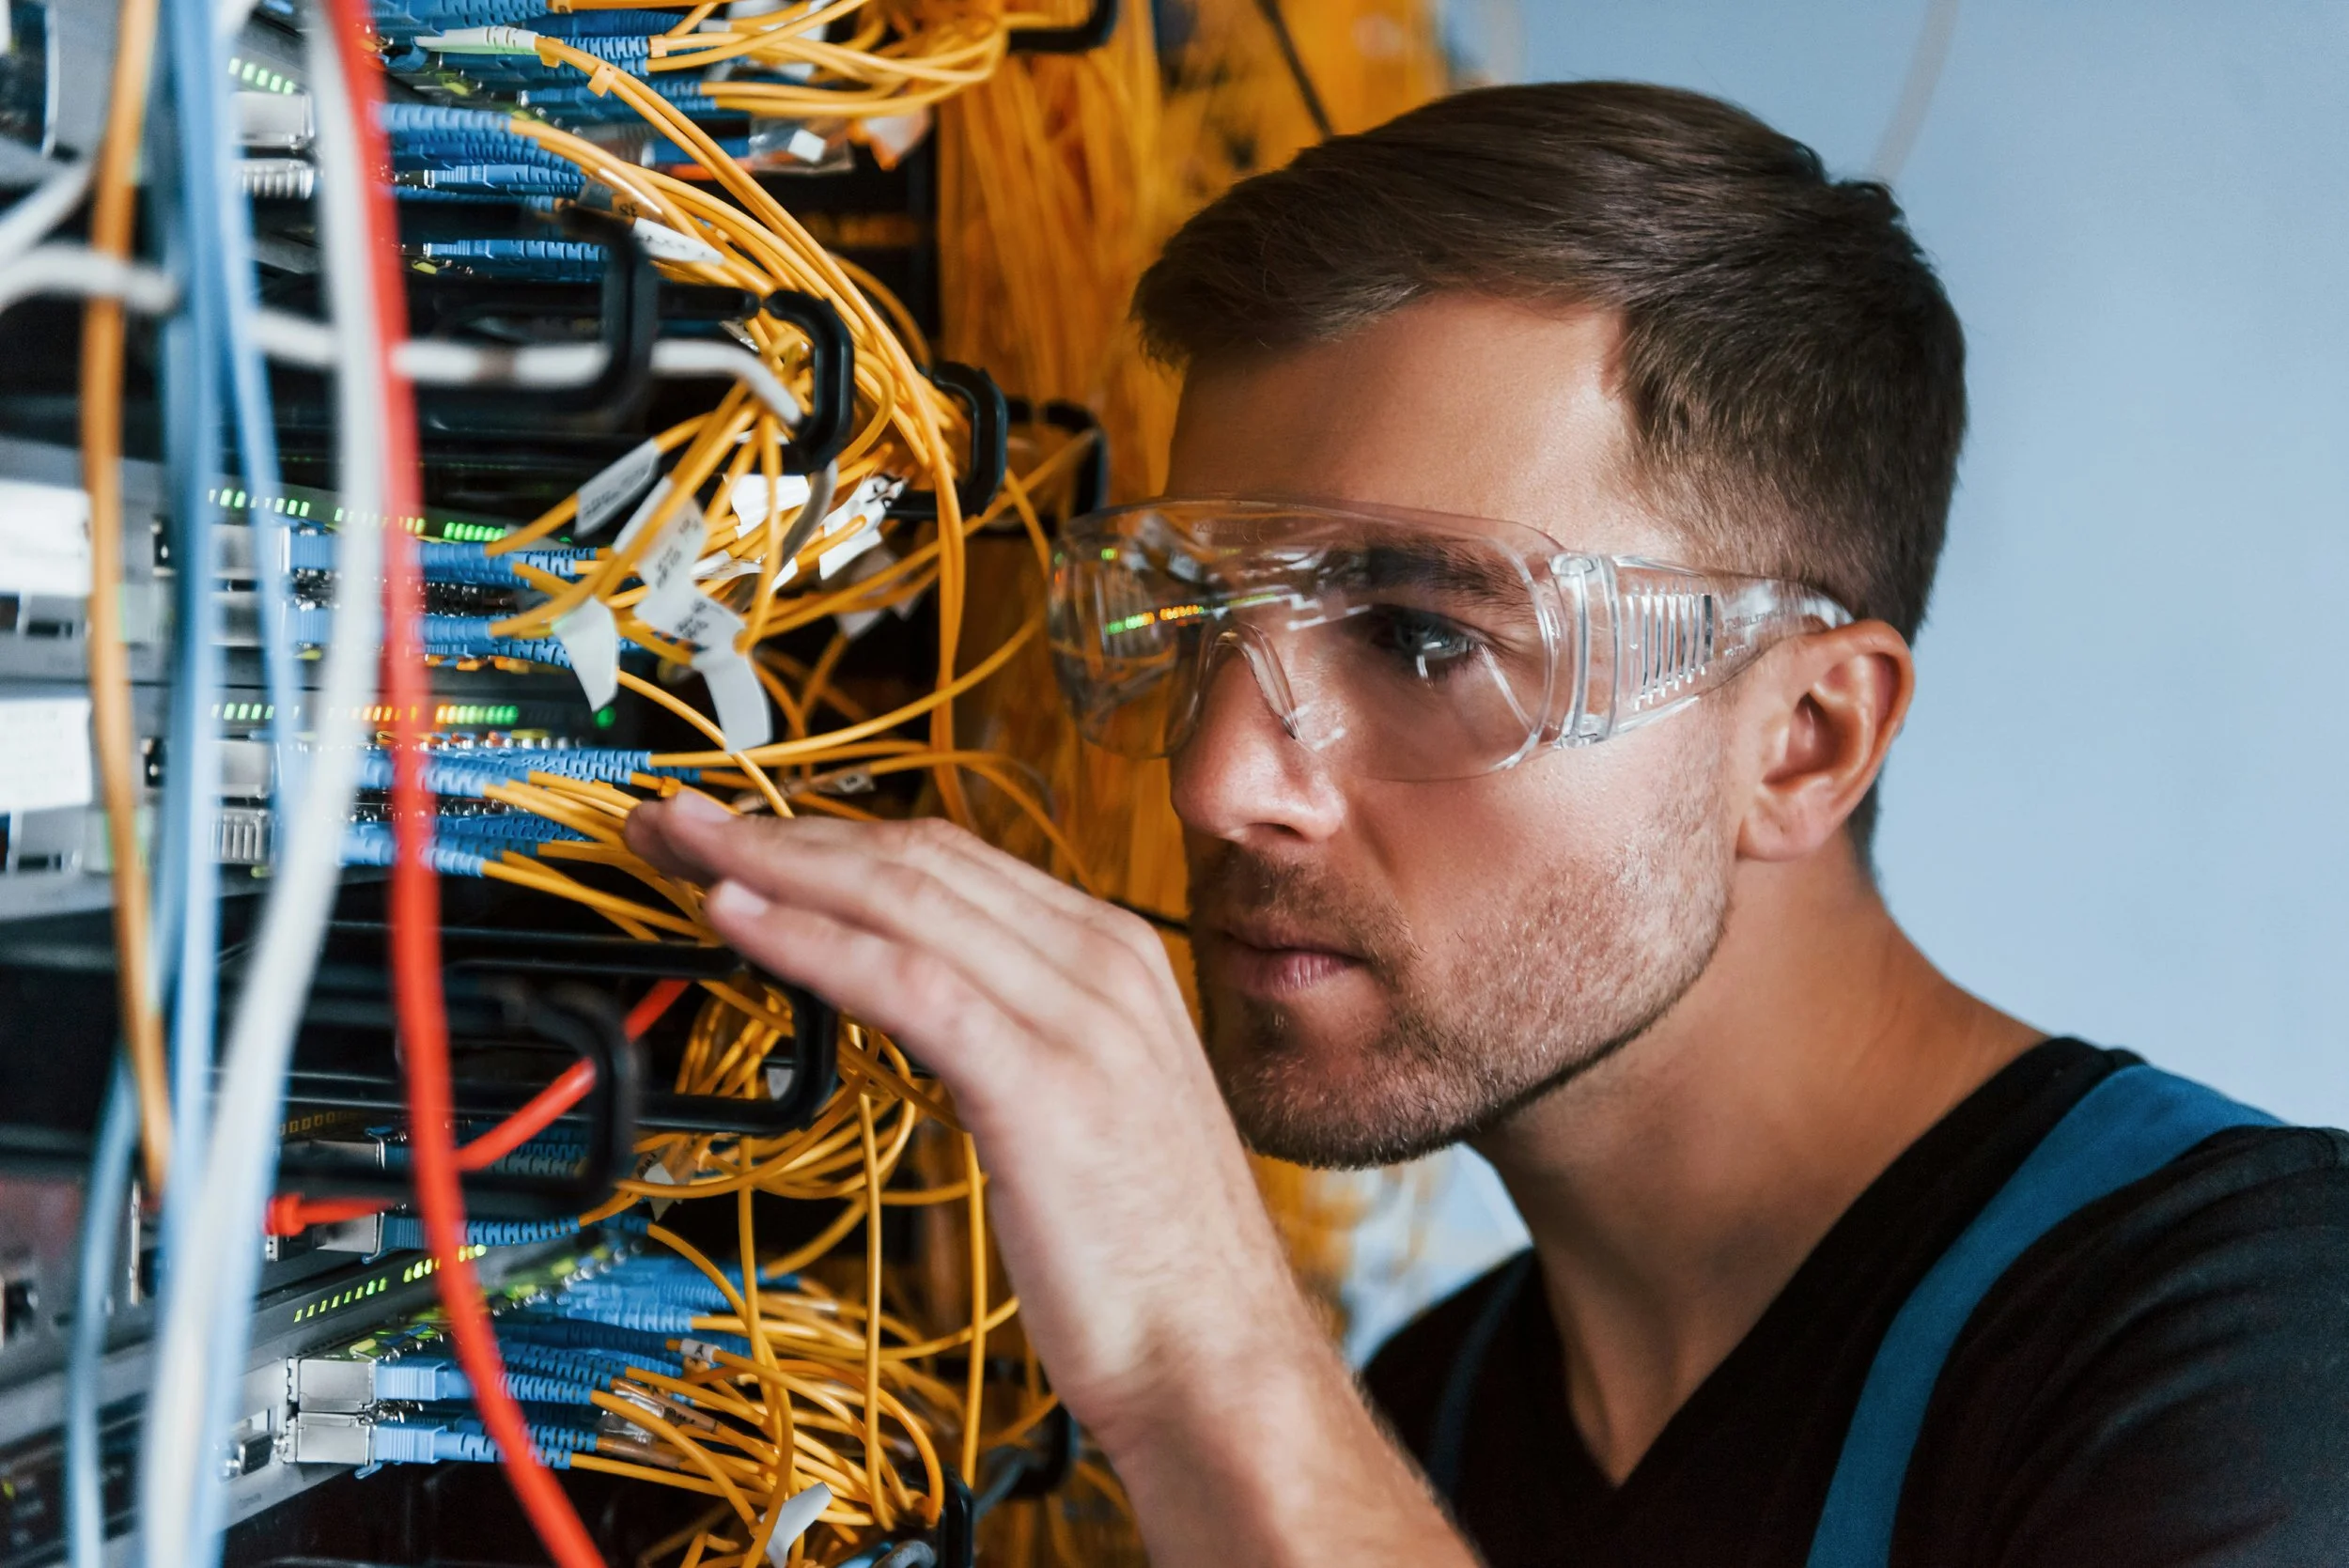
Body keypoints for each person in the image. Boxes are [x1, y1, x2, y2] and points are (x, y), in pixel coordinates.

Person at [625, 82, 2349, 1567]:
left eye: (1424, 637)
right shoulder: (1430, 1431)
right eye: (1196, 623)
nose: (1225, 778)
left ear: (1806, 740)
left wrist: (1207, 1360)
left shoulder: (2253, 1338)